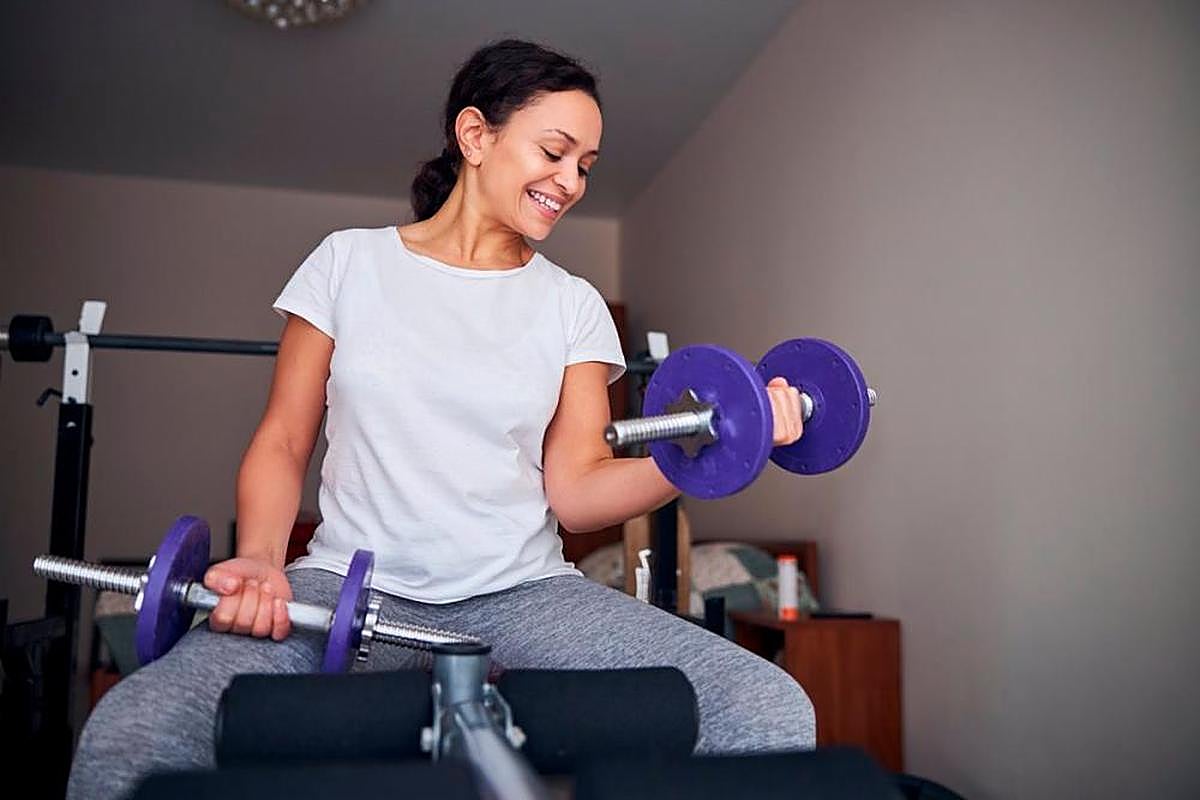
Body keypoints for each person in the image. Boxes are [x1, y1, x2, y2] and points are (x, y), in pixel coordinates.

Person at [67, 38, 814, 800]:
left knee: (762, 705)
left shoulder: (572, 305)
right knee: (139, 725)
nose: (571, 181)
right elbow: (284, 438)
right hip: (345, 584)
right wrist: (261, 558)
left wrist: (712, 455)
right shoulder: (347, 263)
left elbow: (579, 490)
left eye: (585, 166)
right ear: (475, 136)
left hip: (526, 596)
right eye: (555, 152)